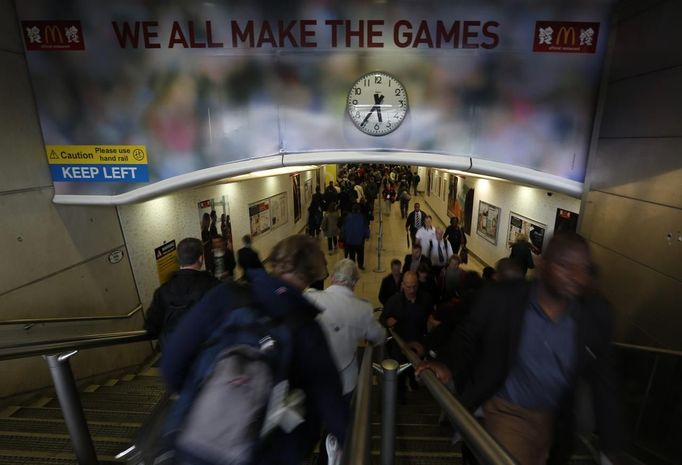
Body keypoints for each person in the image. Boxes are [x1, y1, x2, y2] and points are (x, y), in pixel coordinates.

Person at [417, 233, 623, 465]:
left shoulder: (594, 315)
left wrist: (610, 448)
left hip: (552, 418)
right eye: (565, 266)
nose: (575, 276)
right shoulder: (503, 297)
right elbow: (467, 333)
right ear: (544, 266)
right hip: (507, 409)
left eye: (582, 268)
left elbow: (605, 383)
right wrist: (446, 363)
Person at [161, 235, 349, 465]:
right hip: (258, 454)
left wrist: (194, 397)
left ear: (274, 262)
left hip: (192, 443)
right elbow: (329, 400)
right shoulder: (307, 329)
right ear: (311, 275)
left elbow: (173, 359)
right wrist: (339, 441)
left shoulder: (226, 295)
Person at [305, 259, 385, 398]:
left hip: (313, 377)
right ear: (354, 284)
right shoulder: (362, 309)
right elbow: (379, 335)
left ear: (332, 279)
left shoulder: (310, 297)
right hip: (344, 382)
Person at [144, 238, 219, 350]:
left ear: (178, 260)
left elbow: (151, 327)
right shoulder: (214, 286)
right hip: (205, 354)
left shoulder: (162, 291)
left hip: (174, 355)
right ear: (200, 258)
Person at [380, 271, 431, 403]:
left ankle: (413, 382)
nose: (412, 290)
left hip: (418, 343)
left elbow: (429, 320)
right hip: (400, 345)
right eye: (408, 286)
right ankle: (400, 396)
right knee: (400, 373)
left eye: (414, 286)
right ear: (402, 285)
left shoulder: (425, 299)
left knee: (414, 368)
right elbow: (382, 320)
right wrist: (387, 322)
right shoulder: (394, 301)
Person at [342, 204, 368, 270]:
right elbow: (365, 228)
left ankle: (352, 266)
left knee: (351, 254)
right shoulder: (362, 217)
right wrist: (367, 235)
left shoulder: (347, 217)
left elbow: (344, 228)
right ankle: (360, 265)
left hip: (350, 240)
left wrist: (344, 237)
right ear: (359, 210)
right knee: (360, 253)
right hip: (360, 240)